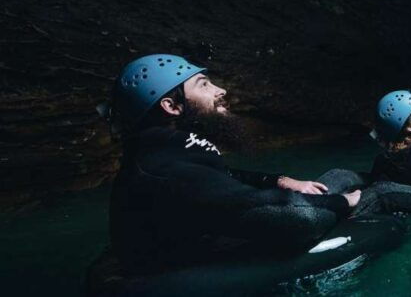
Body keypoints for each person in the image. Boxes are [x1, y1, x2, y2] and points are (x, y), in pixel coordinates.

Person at [106, 54, 363, 274]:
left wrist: (282, 181)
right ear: (171, 106)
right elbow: (295, 216)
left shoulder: (167, 148)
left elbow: (223, 176)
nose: (221, 90)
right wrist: (344, 202)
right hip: (180, 269)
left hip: (207, 234)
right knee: (353, 190)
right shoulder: (164, 168)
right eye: (204, 85)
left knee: (340, 175)